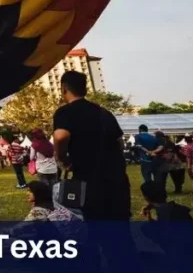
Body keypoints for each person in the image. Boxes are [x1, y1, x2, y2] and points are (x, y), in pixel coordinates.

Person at [52, 70, 134, 266]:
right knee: (121, 236)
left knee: (92, 234)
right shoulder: (103, 112)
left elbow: (61, 136)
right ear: (85, 88)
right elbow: (120, 143)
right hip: (117, 181)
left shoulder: (65, 112)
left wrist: (61, 157)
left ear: (63, 88)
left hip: (90, 183)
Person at [139, 180, 193, 271]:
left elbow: (169, 237)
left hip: (191, 263)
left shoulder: (165, 215)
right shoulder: (176, 209)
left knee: (146, 231)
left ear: (146, 197)